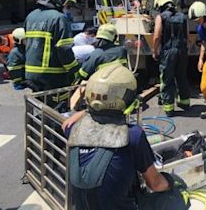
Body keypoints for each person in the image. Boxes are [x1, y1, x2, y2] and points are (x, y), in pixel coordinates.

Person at [62, 64, 172, 210]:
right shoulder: (133, 136)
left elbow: (66, 124)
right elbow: (156, 184)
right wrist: (172, 182)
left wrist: (89, 110)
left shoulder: (73, 130)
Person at [24, 0, 78, 93]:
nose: (68, 8)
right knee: (56, 107)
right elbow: (64, 50)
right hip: (52, 76)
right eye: (68, 5)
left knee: (39, 105)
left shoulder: (30, 16)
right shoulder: (59, 18)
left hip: (31, 74)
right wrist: (75, 71)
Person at [152, 0, 190, 117]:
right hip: (182, 50)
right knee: (182, 76)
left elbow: (157, 36)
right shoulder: (183, 17)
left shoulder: (160, 17)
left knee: (167, 79)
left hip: (168, 51)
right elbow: (187, 36)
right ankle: (185, 103)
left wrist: (154, 50)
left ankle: (168, 108)